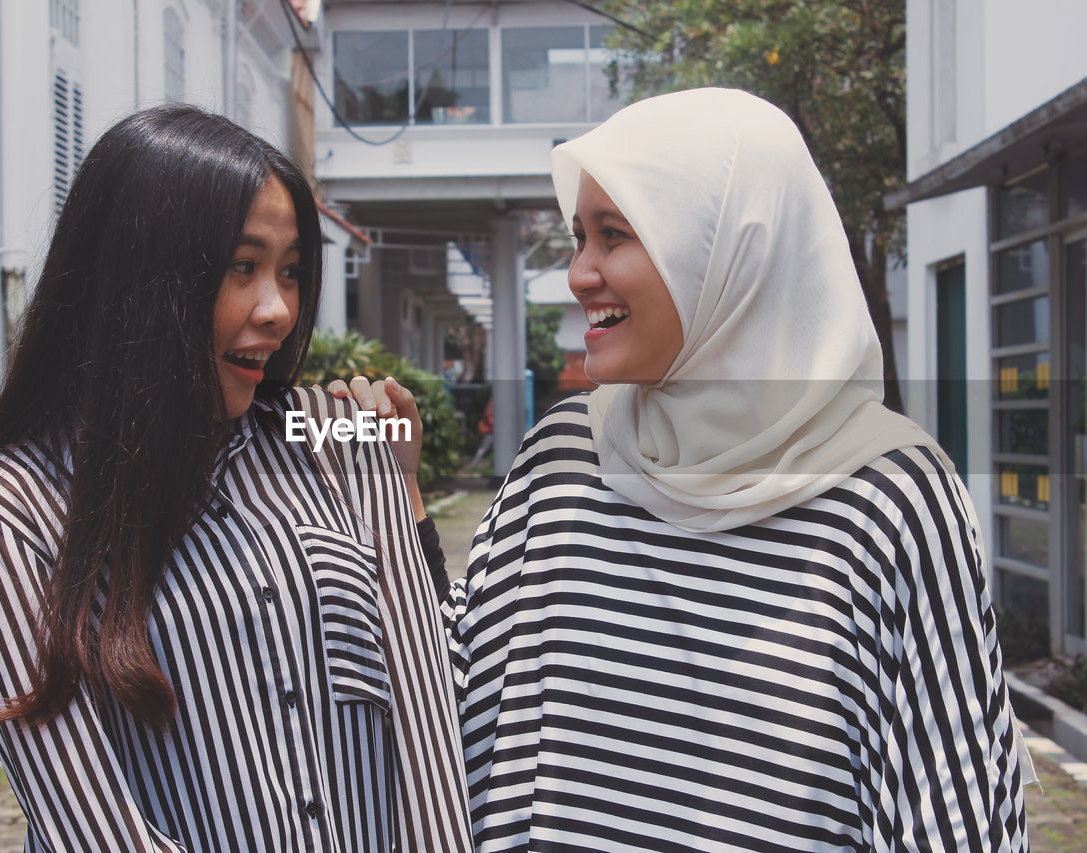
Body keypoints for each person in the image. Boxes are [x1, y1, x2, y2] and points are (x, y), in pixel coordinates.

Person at [333, 89, 1030, 851]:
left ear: (727, 249)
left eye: (616, 235)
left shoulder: (891, 500)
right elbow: (454, 693)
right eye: (578, 238)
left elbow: (957, 816)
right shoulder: (565, 454)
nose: (580, 274)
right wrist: (397, 491)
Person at [0, 105, 471, 853]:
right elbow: (89, 825)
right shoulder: (13, 508)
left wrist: (405, 500)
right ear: (141, 278)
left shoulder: (335, 430)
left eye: (291, 272)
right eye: (242, 267)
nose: (277, 310)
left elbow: (426, 698)